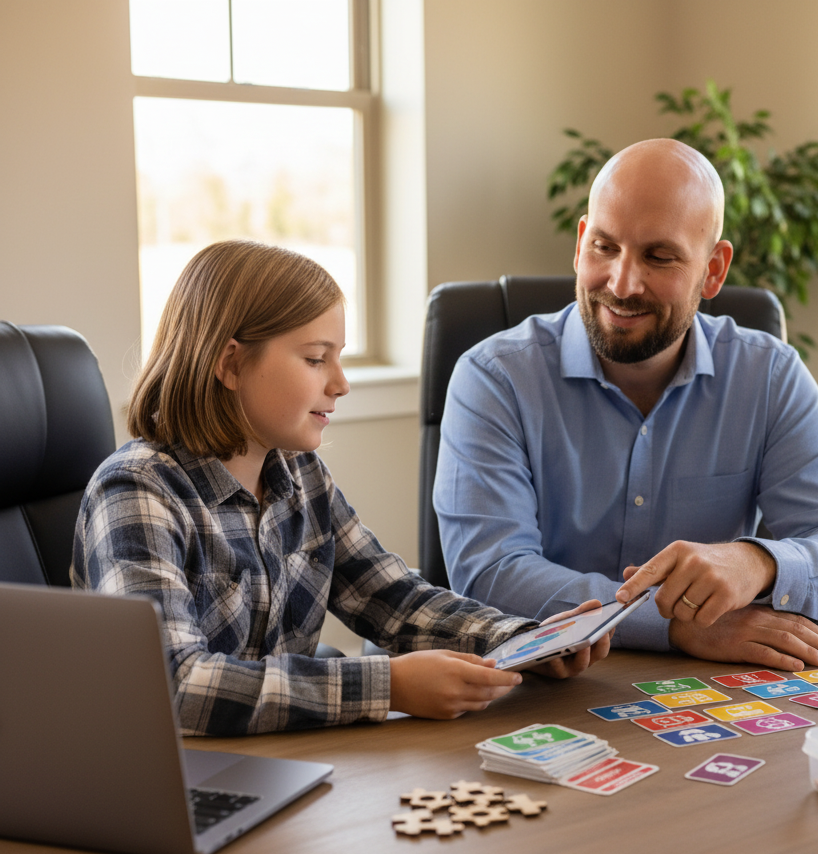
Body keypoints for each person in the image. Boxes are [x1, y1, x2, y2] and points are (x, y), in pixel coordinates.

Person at [72, 240, 609, 737]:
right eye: (315, 358)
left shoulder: (301, 476)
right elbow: (173, 685)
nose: (341, 383)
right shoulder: (137, 491)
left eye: (339, 356)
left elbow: (389, 597)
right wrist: (388, 685)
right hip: (173, 778)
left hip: (279, 765)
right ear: (231, 362)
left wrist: (519, 640)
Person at [435, 138, 818, 673]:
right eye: (604, 247)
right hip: (542, 693)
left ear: (714, 270)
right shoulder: (494, 377)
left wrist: (758, 560)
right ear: (581, 244)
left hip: (712, 696)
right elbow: (491, 576)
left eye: (659, 256)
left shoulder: (769, 375)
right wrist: (674, 623)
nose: (622, 284)